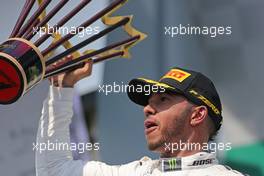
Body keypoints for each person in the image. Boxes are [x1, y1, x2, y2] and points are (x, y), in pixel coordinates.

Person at [36, 60, 247, 176]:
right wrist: (61, 89)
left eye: (163, 99)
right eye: (148, 102)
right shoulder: (138, 172)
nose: (147, 109)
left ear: (197, 115)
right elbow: (53, 171)